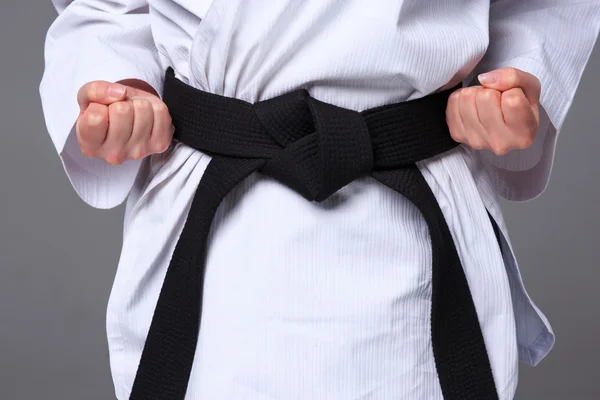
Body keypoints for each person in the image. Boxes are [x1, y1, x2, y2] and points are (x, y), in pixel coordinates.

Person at [39, 1, 599, 399]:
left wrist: (515, 78)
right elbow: (107, 10)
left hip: (407, 227)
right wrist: (119, 86)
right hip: (220, 245)